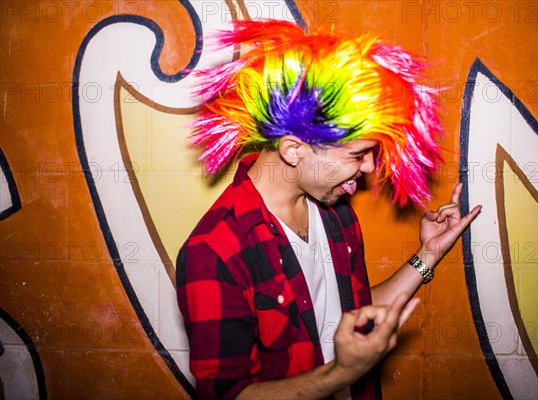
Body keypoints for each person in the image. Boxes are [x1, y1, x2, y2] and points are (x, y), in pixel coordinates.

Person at [176, 19, 481, 400]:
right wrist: (342, 373)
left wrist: (428, 255)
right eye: (358, 154)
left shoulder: (335, 211)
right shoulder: (214, 251)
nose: (370, 167)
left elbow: (352, 311)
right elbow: (228, 395)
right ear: (293, 151)